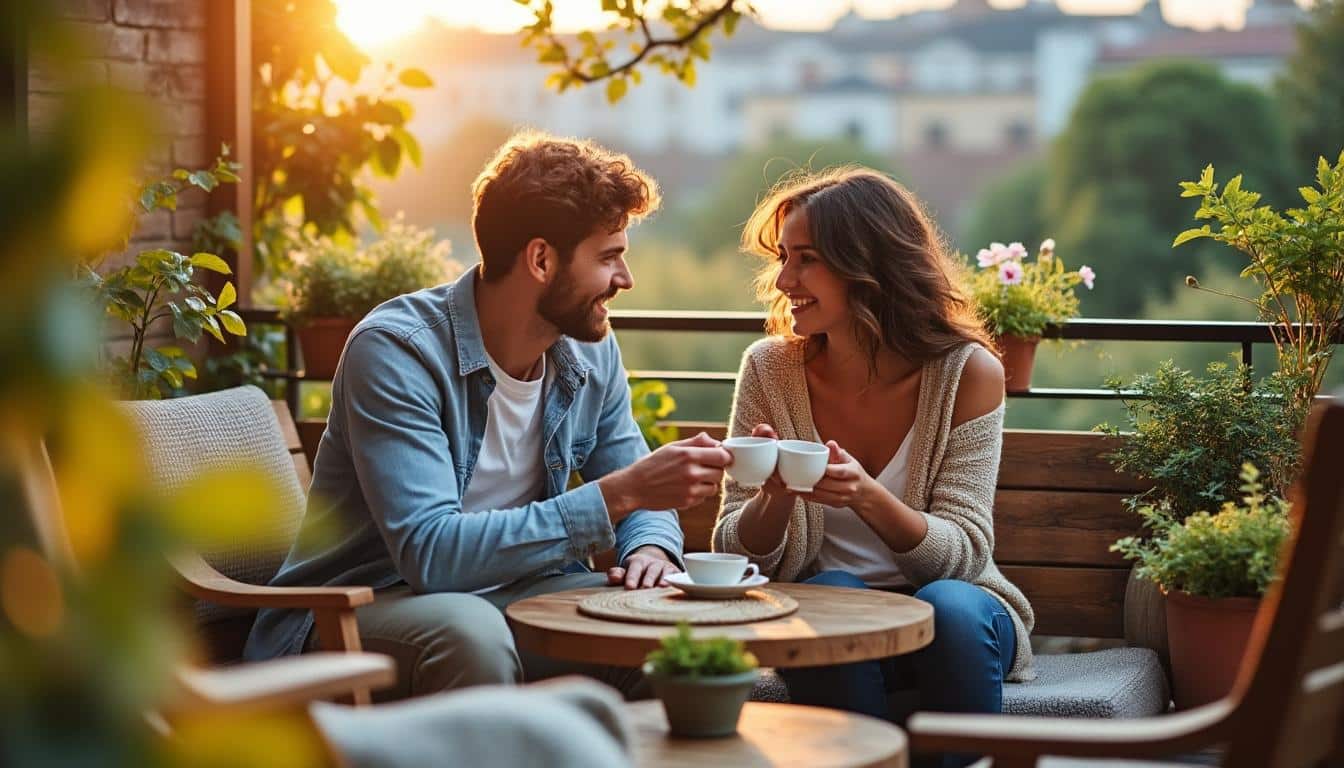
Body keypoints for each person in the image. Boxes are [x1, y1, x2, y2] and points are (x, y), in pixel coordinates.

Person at [246, 132, 733, 701]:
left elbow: (633, 478)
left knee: (671, 636)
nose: (625, 280)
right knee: (470, 634)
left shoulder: (588, 350)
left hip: (525, 591)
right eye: (608, 257)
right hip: (363, 606)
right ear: (542, 260)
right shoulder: (397, 352)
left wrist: (649, 547)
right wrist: (615, 498)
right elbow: (431, 555)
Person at [711, 167, 1035, 768]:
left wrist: (866, 496)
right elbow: (735, 549)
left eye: (805, 259)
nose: (783, 280)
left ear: (868, 265)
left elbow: (965, 554)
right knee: (830, 593)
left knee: (952, 604)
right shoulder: (769, 370)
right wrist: (775, 499)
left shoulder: (968, 374)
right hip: (838, 621)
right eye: (783, 257)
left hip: (957, 622)